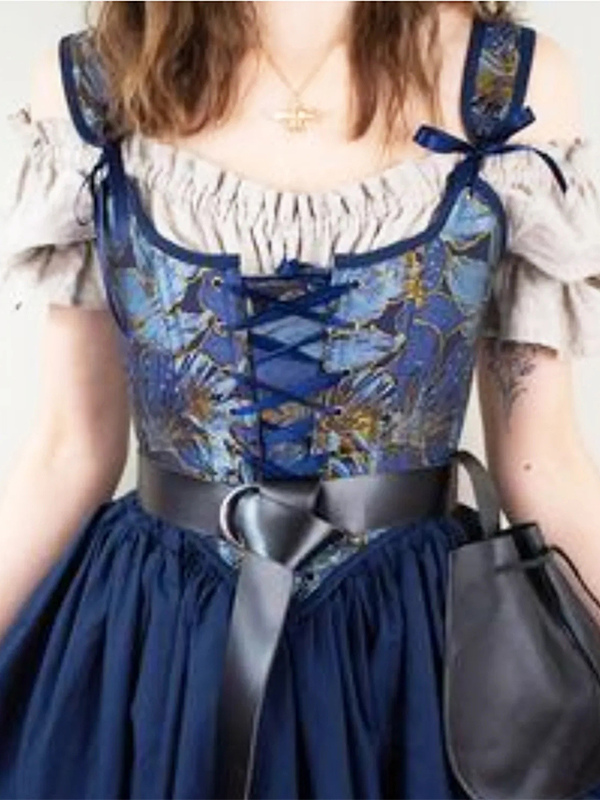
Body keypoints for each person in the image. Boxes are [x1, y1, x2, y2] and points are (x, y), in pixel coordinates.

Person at [1, 1, 600, 798]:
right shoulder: (98, 87)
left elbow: (542, 461)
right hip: (162, 643)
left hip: (410, 650)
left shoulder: (507, 92)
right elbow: (70, 449)